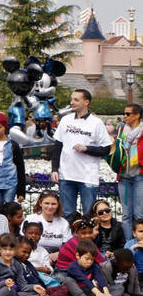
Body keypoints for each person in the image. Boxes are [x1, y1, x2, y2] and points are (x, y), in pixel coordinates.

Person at [52, 88, 112, 216]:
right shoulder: (65, 120)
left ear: (86, 102)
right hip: (66, 175)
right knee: (67, 214)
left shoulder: (96, 123)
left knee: (89, 215)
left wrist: (87, 148)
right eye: (71, 99)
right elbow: (57, 146)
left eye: (76, 99)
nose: (72, 102)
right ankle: (69, 237)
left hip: (87, 177)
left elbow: (106, 149)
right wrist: (54, 169)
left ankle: (87, 237)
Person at [0, 232, 45, 296]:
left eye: (10, 250)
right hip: (1, 291)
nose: (8, 252)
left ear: (15, 250)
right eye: (5, 249)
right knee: (8, 291)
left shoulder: (17, 264)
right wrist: (4, 283)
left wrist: (33, 287)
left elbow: (22, 285)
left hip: (16, 292)